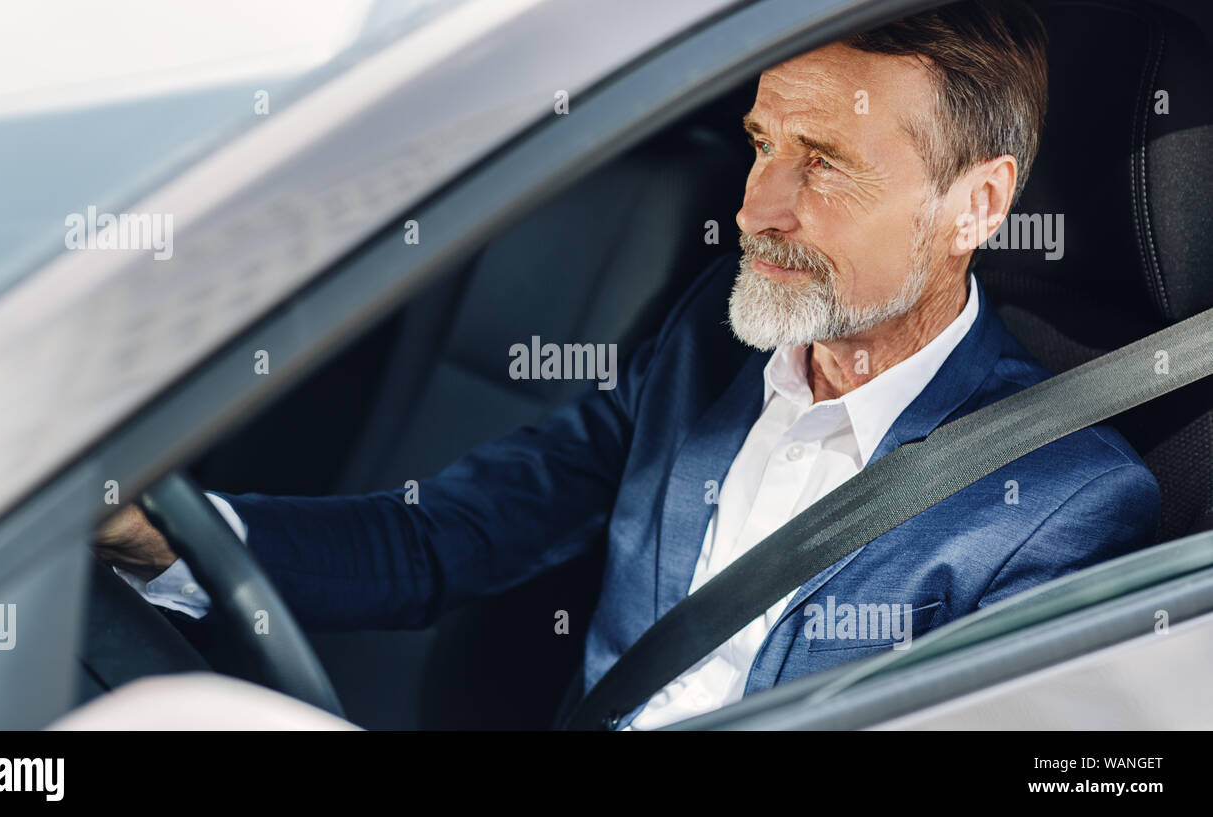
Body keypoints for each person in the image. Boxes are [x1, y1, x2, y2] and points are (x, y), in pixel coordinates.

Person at [97, 0, 1159, 730]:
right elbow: (441, 539)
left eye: (824, 163)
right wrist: (157, 541)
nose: (755, 208)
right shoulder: (710, 348)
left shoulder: (1059, 503)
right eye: (759, 144)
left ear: (974, 204)